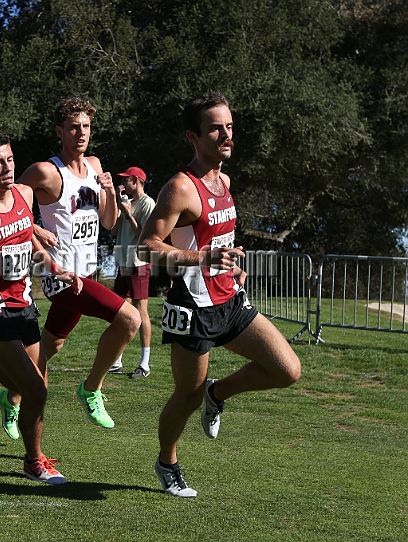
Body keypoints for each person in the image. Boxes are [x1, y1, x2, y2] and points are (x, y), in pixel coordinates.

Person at [138, 92, 301, 497]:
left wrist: (230, 263)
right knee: (186, 394)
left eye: (229, 126)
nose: (226, 134)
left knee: (287, 370)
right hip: (192, 306)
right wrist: (203, 258)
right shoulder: (179, 187)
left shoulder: (224, 180)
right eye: (215, 128)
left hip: (230, 298)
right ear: (193, 136)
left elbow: (217, 237)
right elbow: (145, 247)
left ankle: (219, 391)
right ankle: (167, 463)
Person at [0, 129, 78, 483]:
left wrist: (56, 269)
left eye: (9, 159)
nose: (7, 168)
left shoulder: (24, 193)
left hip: (25, 305)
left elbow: (30, 243)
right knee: (36, 390)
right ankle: (34, 461)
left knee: (33, 386)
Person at [19, 97, 141, 429]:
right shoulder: (46, 171)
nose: (81, 133)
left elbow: (109, 222)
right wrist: (34, 227)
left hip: (85, 272)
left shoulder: (96, 166)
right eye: (73, 127)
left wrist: (110, 192)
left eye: (86, 126)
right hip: (60, 276)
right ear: (60, 131)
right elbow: (5, 205)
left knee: (50, 346)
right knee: (130, 320)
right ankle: (91, 389)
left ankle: (12, 397)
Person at [108, 166, 156, 379]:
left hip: (139, 262)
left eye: (125, 180)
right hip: (124, 262)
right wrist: (120, 208)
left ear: (136, 181)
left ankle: (144, 364)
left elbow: (144, 236)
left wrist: (128, 213)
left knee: (141, 312)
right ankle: (116, 360)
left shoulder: (148, 203)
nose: (123, 183)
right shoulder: (126, 203)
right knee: (121, 311)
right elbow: (114, 231)